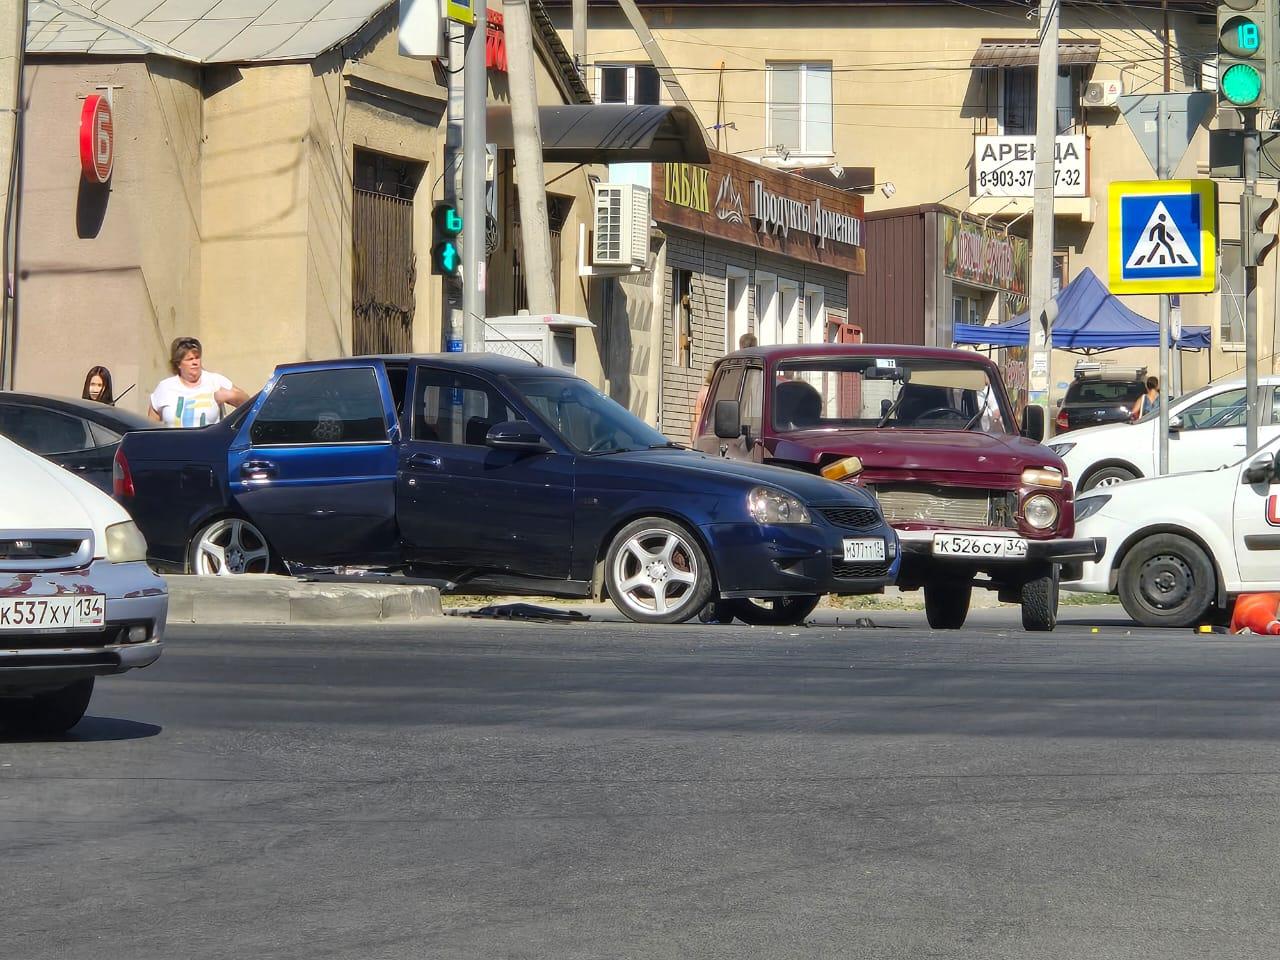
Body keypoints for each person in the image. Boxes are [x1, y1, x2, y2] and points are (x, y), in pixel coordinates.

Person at [148, 336, 249, 428]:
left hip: (209, 445)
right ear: (178, 364)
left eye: (197, 358)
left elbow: (248, 404)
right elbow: (150, 426)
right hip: (173, 446)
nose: (195, 362)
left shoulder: (215, 381)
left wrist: (230, 395)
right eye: (190, 359)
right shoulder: (165, 387)